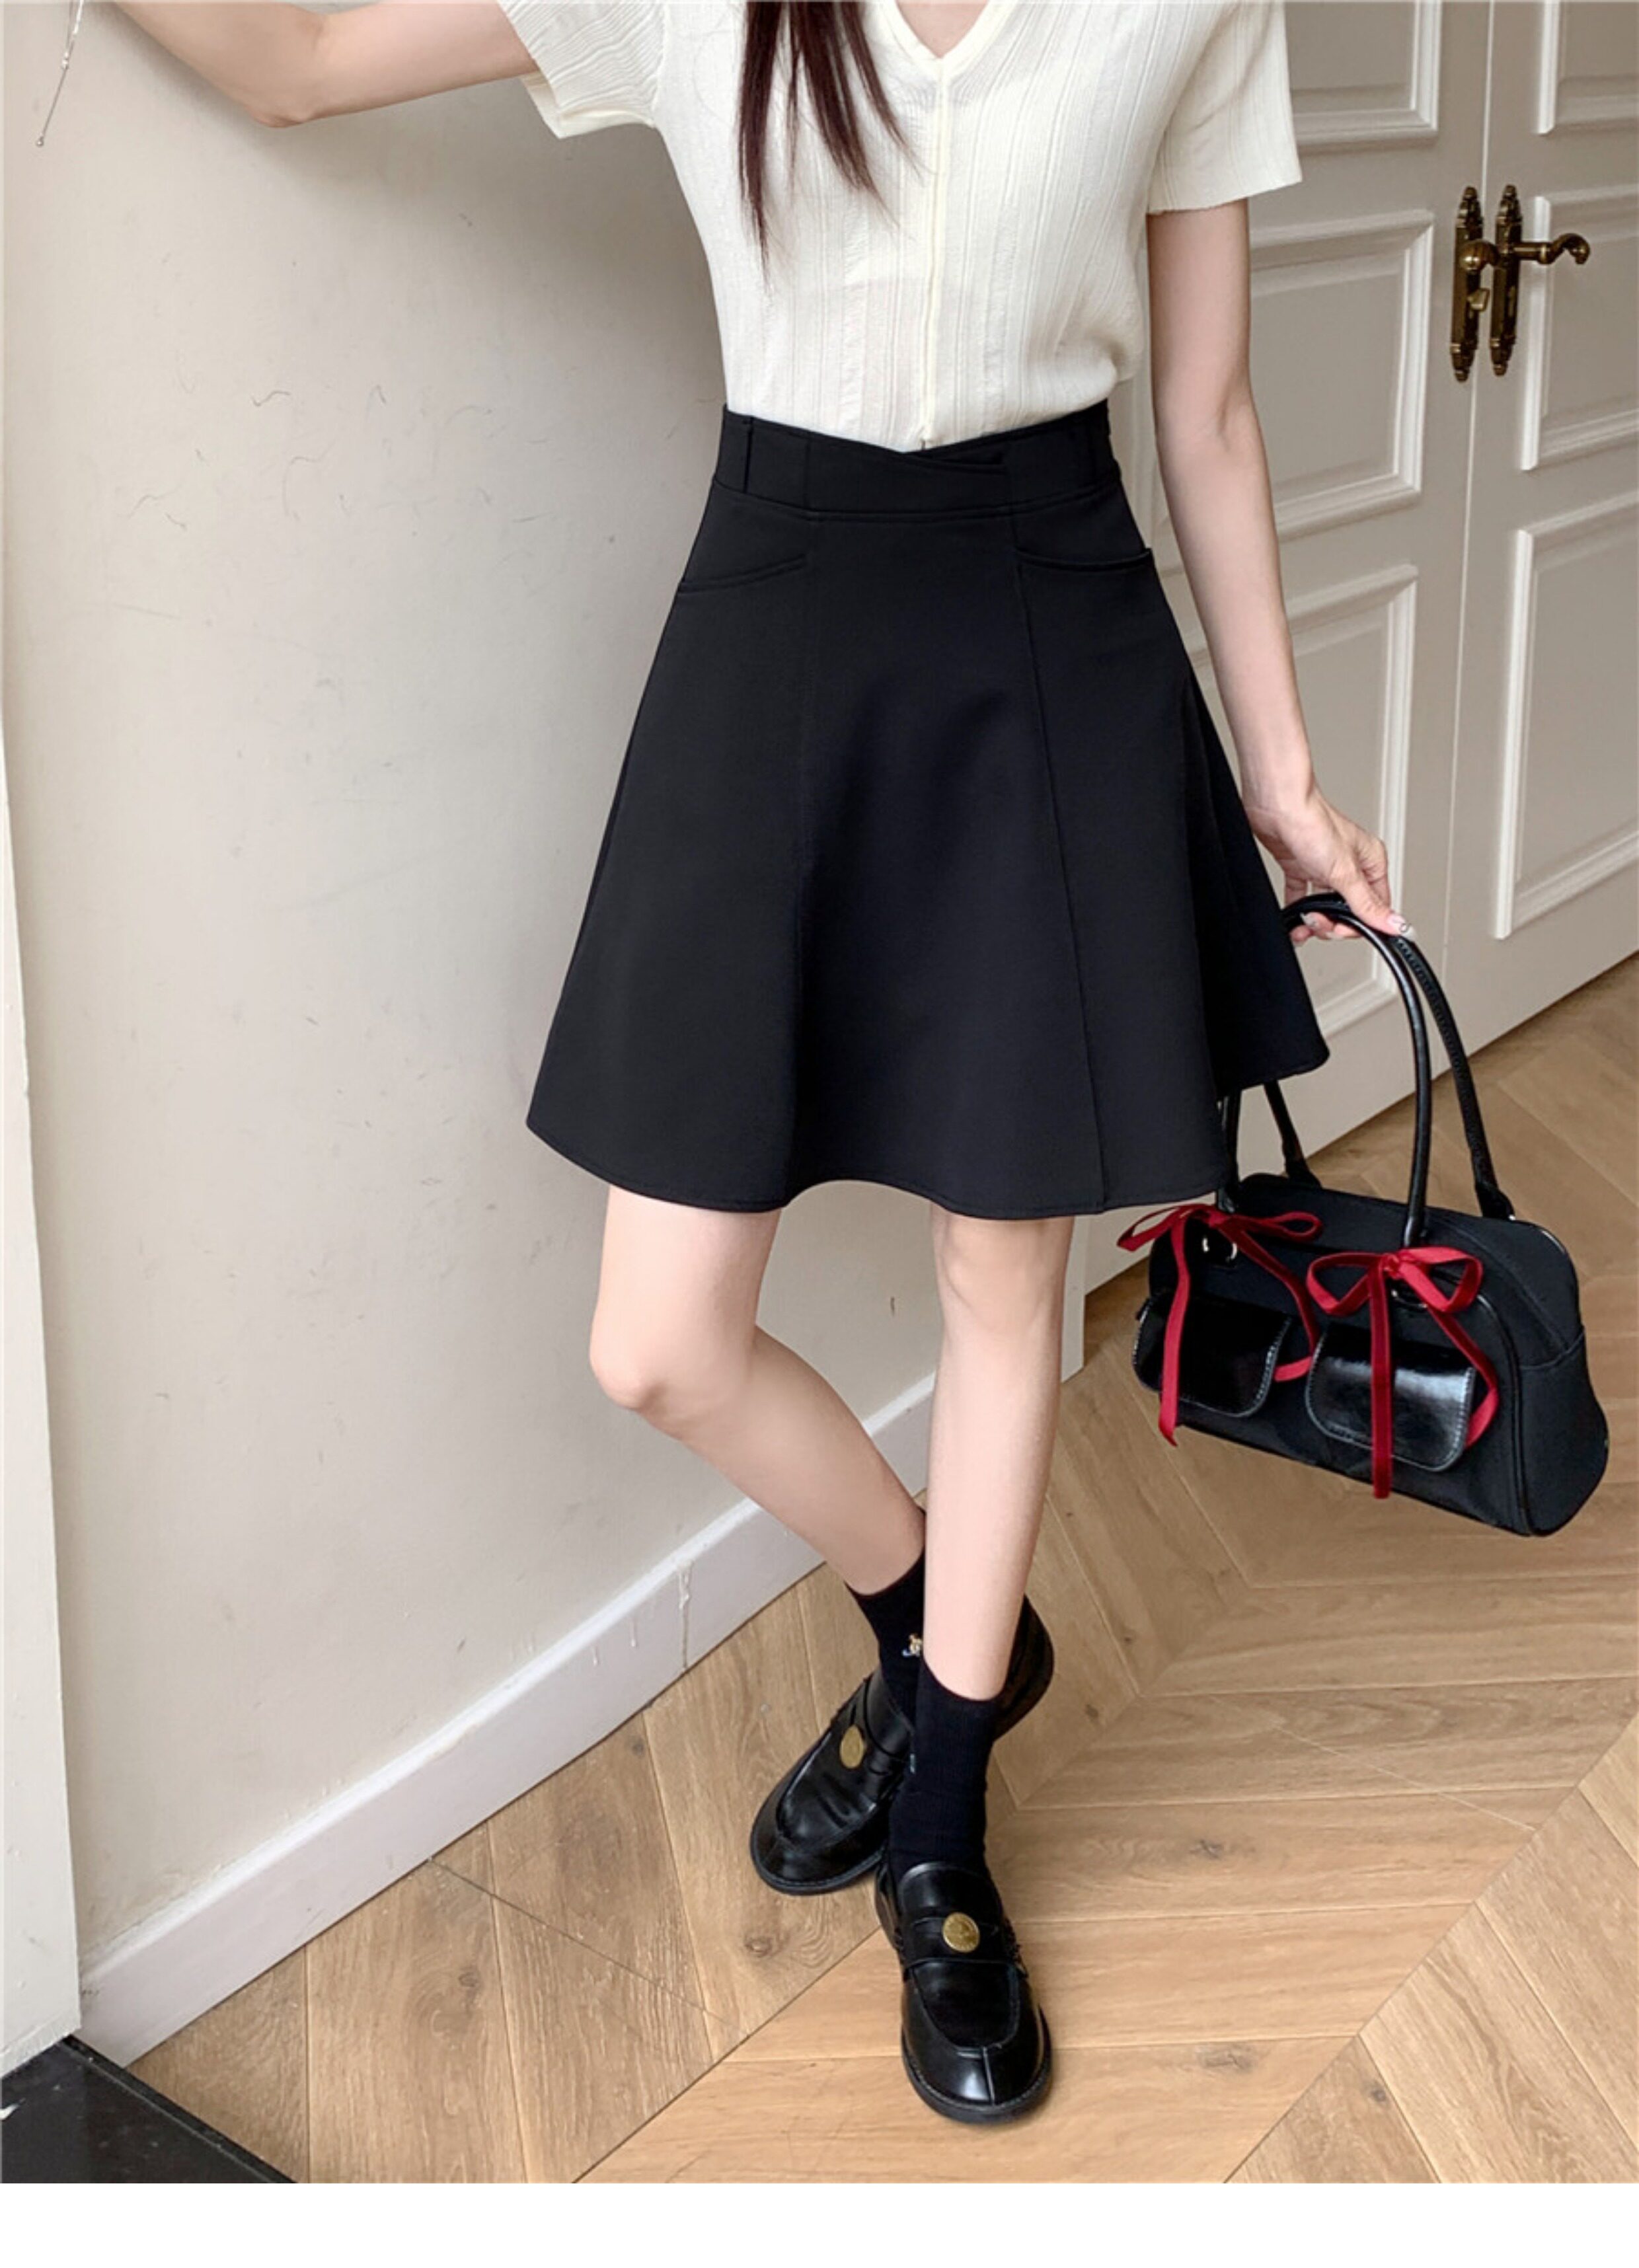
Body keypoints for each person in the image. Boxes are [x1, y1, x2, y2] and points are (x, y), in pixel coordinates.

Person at [114, 0, 1405, 2128]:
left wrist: (1281, 775)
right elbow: (303, 53)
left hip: (1051, 628)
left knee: (1005, 1278)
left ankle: (944, 1824)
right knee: (659, 1338)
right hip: (778, 617)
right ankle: (940, 1627)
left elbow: (1207, 410)